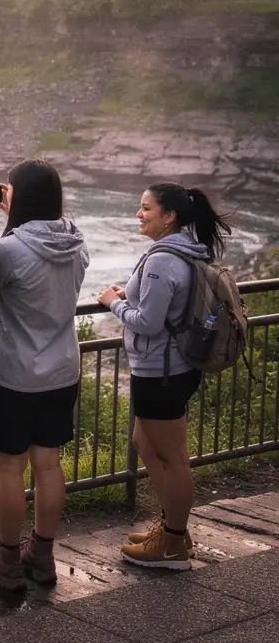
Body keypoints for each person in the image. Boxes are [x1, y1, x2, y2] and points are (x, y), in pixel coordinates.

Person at [0, 162, 89, 590]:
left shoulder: (9, 250)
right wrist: (15, 219)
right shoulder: (76, 242)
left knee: (10, 469)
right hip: (61, 369)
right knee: (48, 464)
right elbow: (42, 246)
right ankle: (44, 555)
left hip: (14, 374)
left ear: (16, 197)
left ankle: (8, 559)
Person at [97, 183, 232, 570]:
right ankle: (173, 526)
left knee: (174, 460)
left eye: (146, 208)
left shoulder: (161, 260)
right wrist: (133, 296)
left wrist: (115, 303)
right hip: (172, 368)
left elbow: (149, 323)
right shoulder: (183, 250)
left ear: (168, 216)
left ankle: (173, 545)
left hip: (162, 372)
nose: (139, 214)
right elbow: (167, 303)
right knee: (144, 443)